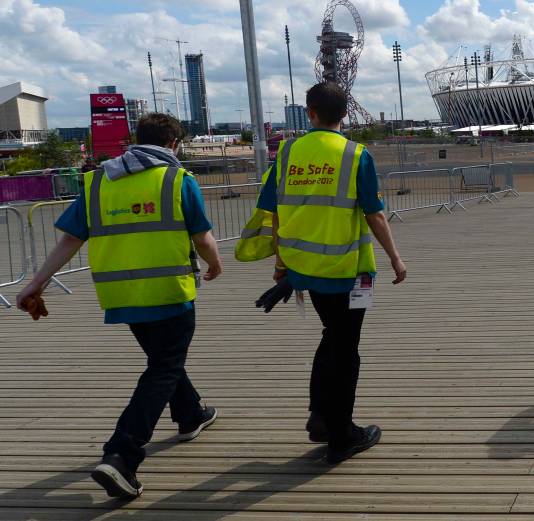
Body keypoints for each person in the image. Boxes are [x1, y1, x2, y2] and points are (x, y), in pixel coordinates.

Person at [15, 113, 222, 499]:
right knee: (163, 367)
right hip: (168, 291)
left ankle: (191, 414)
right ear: (173, 144)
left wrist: (36, 282)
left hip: (120, 296)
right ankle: (121, 456)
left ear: (135, 140)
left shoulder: (97, 182)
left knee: (164, 360)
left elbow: (69, 241)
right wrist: (214, 264)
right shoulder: (177, 179)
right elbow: (203, 236)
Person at [254, 82, 407, 464]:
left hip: (304, 268)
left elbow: (274, 212)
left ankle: (322, 417)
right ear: (345, 114)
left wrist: (281, 264)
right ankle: (342, 434)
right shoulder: (356, 155)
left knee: (333, 338)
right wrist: (395, 258)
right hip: (348, 271)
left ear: (310, 112)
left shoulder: (287, 152)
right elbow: (373, 213)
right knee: (346, 350)